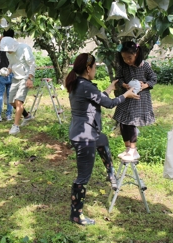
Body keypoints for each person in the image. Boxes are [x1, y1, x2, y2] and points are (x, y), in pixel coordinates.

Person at [65, 53, 140, 226]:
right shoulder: (85, 86)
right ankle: (76, 214)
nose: (96, 70)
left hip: (86, 132)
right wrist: (125, 95)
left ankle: (110, 173)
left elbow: (97, 98)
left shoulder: (79, 84)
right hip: (84, 137)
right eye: (95, 68)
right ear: (88, 68)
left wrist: (108, 89)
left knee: (103, 140)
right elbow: (109, 103)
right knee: (83, 177)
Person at [114, 41, 157, 161]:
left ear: (137, 54)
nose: (127, 60)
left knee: (132, 122)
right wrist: (124, 85)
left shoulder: (145, 66)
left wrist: (146, 85)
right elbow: (118, 78)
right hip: (127, 97)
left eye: (130, 57)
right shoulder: (123, 67)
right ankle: (127, 148)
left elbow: (153, 78)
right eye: (124, 58)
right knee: (123, 122)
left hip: (139, 99)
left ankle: (133, 150)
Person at [0, 36, 36, 135]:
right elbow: (11, 64)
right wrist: (7, 71)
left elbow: (32, 63)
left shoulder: (24, 48)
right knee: (11, 102)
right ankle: (27, 116)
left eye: (10, 50)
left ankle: (15, 126)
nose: (9, 52)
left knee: (18, 101)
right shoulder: (8, 53)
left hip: (26, 77)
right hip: (16, 77)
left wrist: (30, 78)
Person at [0, 29, 21, 122]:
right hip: (13, 72)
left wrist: (0, 41)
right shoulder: (16, 44)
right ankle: (9, 115)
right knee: (11, 95)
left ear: (4, 35)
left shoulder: (2, 43)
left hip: (2, 72)